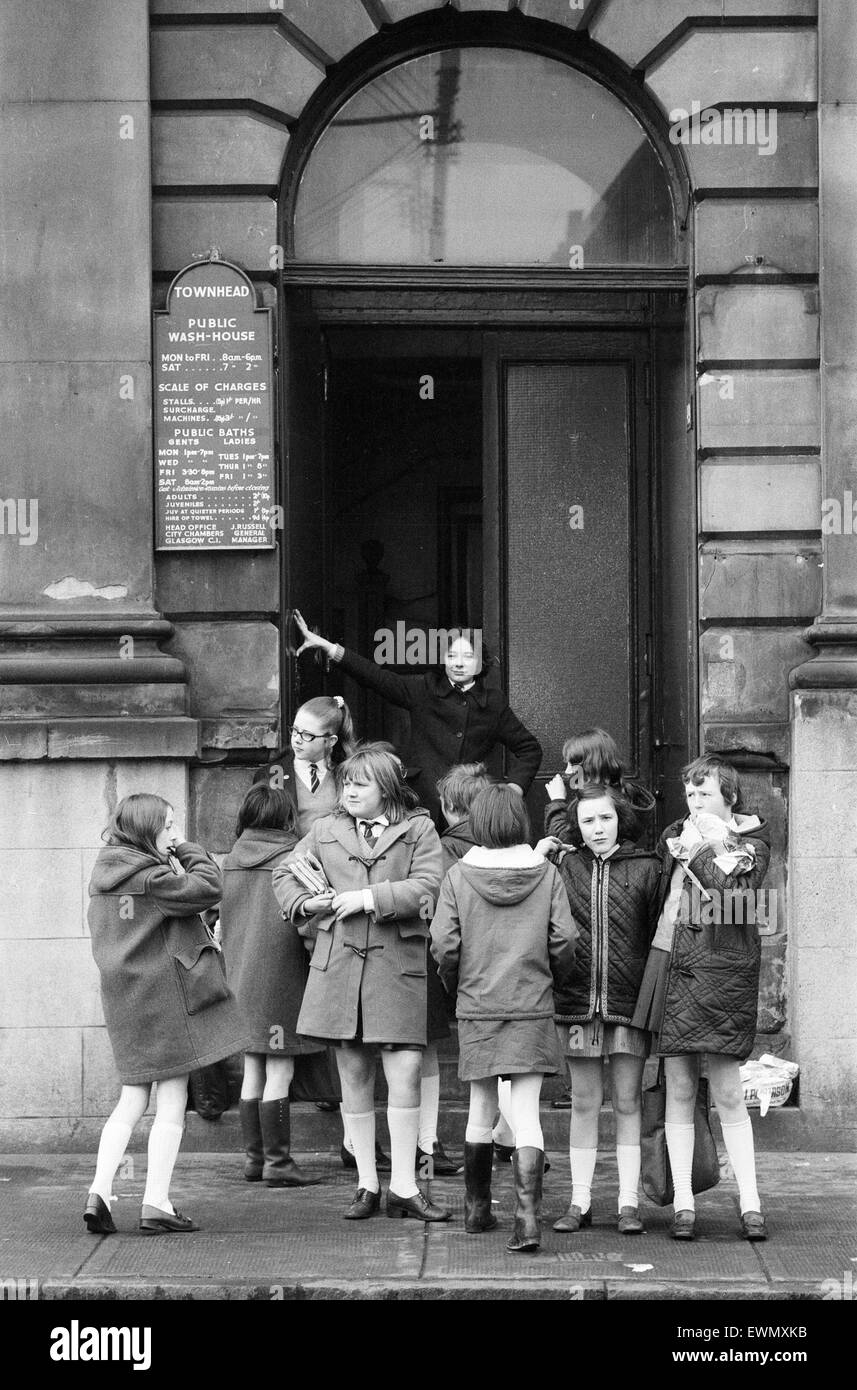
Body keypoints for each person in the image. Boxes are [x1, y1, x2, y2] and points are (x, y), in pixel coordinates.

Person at [273, 743, 451, 1224]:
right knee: (352, 1077)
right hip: (341, 970)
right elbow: (284, 875)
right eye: (346, 782)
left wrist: (368, 898)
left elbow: (431, 887)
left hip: (399, 970)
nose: (348, 790)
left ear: (386, 789)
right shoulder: (323, 829)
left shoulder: (419, 829)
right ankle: (367, 1184)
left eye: (360, 783)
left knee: (406, 1073)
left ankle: (406, 1186)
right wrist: (310, 906)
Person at [85, 794, 250, 1235]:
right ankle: (156, 1201)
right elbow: (211, 886)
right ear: (147, 831)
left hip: (125, 1000)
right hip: (166, 999)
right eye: (167, 826)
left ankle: (99, 1191)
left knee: (132, 1099)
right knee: (172, 1099)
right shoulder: (154, 879)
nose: (173, 833)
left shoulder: (104, 875)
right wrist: (186, 847)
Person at [430, 785, 578, 1252]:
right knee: (527, 1115)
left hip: (479, 1004)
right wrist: (551, 978)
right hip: (531, 1003)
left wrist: (457, 986)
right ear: (520, 821)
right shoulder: (547, 875)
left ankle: (477, 1211)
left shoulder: (457, 876)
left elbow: (444, 945)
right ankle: (528, 1221)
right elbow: (565, 940)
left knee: (480, 1109)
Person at [632, 754, 771, 1242]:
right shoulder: (675, 838)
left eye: (705, 793)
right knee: (680, 1088)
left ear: (729, 797)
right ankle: (684, 1204)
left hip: (721, 976)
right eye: (690, 793)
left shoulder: (753, 844)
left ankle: (750, 1203)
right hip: (670, 965)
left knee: (729, 1091)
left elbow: (734, 897)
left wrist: (706, 845)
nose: (695, 802)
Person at [255, 696, 390, 1169]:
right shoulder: (272, 774)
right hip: (294, 899)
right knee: (291, 1010)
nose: (295, 740)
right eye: (293, 731)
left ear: (331, 739)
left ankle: (355, 1138)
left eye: (307, 735)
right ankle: (280, 1146)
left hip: (340, 902)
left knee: (345, 1011)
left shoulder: (350, 775)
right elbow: (260, 832)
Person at [291, 610, 542, 825]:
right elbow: (376, 677)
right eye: (452, 656)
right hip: (423, 805)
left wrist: (514, 788)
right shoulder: (424, 689)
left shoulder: (493, 703)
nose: (458, 663)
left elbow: (530, 749)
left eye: (468, 657)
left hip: (470, 810)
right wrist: (329, 648)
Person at [550, 785, 661, 1235]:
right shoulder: (563, 864)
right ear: (576, 825)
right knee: (584, 1103)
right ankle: (579, 1202)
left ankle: (628, 1204)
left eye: (605, 819)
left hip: (628, 1005)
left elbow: (658, 936)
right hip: (577, 1002)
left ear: (621, 819)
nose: (597, 828)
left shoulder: (648, 869)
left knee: (629, 1102)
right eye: (588, 821)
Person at [544, 727, 655, 1111]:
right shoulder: (610, 801)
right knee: (591, 1101)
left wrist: (557, 805)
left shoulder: (610, 805)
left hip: (619, 980)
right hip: (583, 993)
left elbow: (568, 840)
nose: (567, 770)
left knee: (625, 1099)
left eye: (573, 762)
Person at [221, 783, 323, 1188]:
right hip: (283, 977)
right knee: (280, 1069)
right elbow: (308, 921)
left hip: (240, 980)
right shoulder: (293, 858)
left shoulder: (230, 860)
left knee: (253, 1070)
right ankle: (278, 1164)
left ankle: (255, 1159)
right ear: (286, 818)